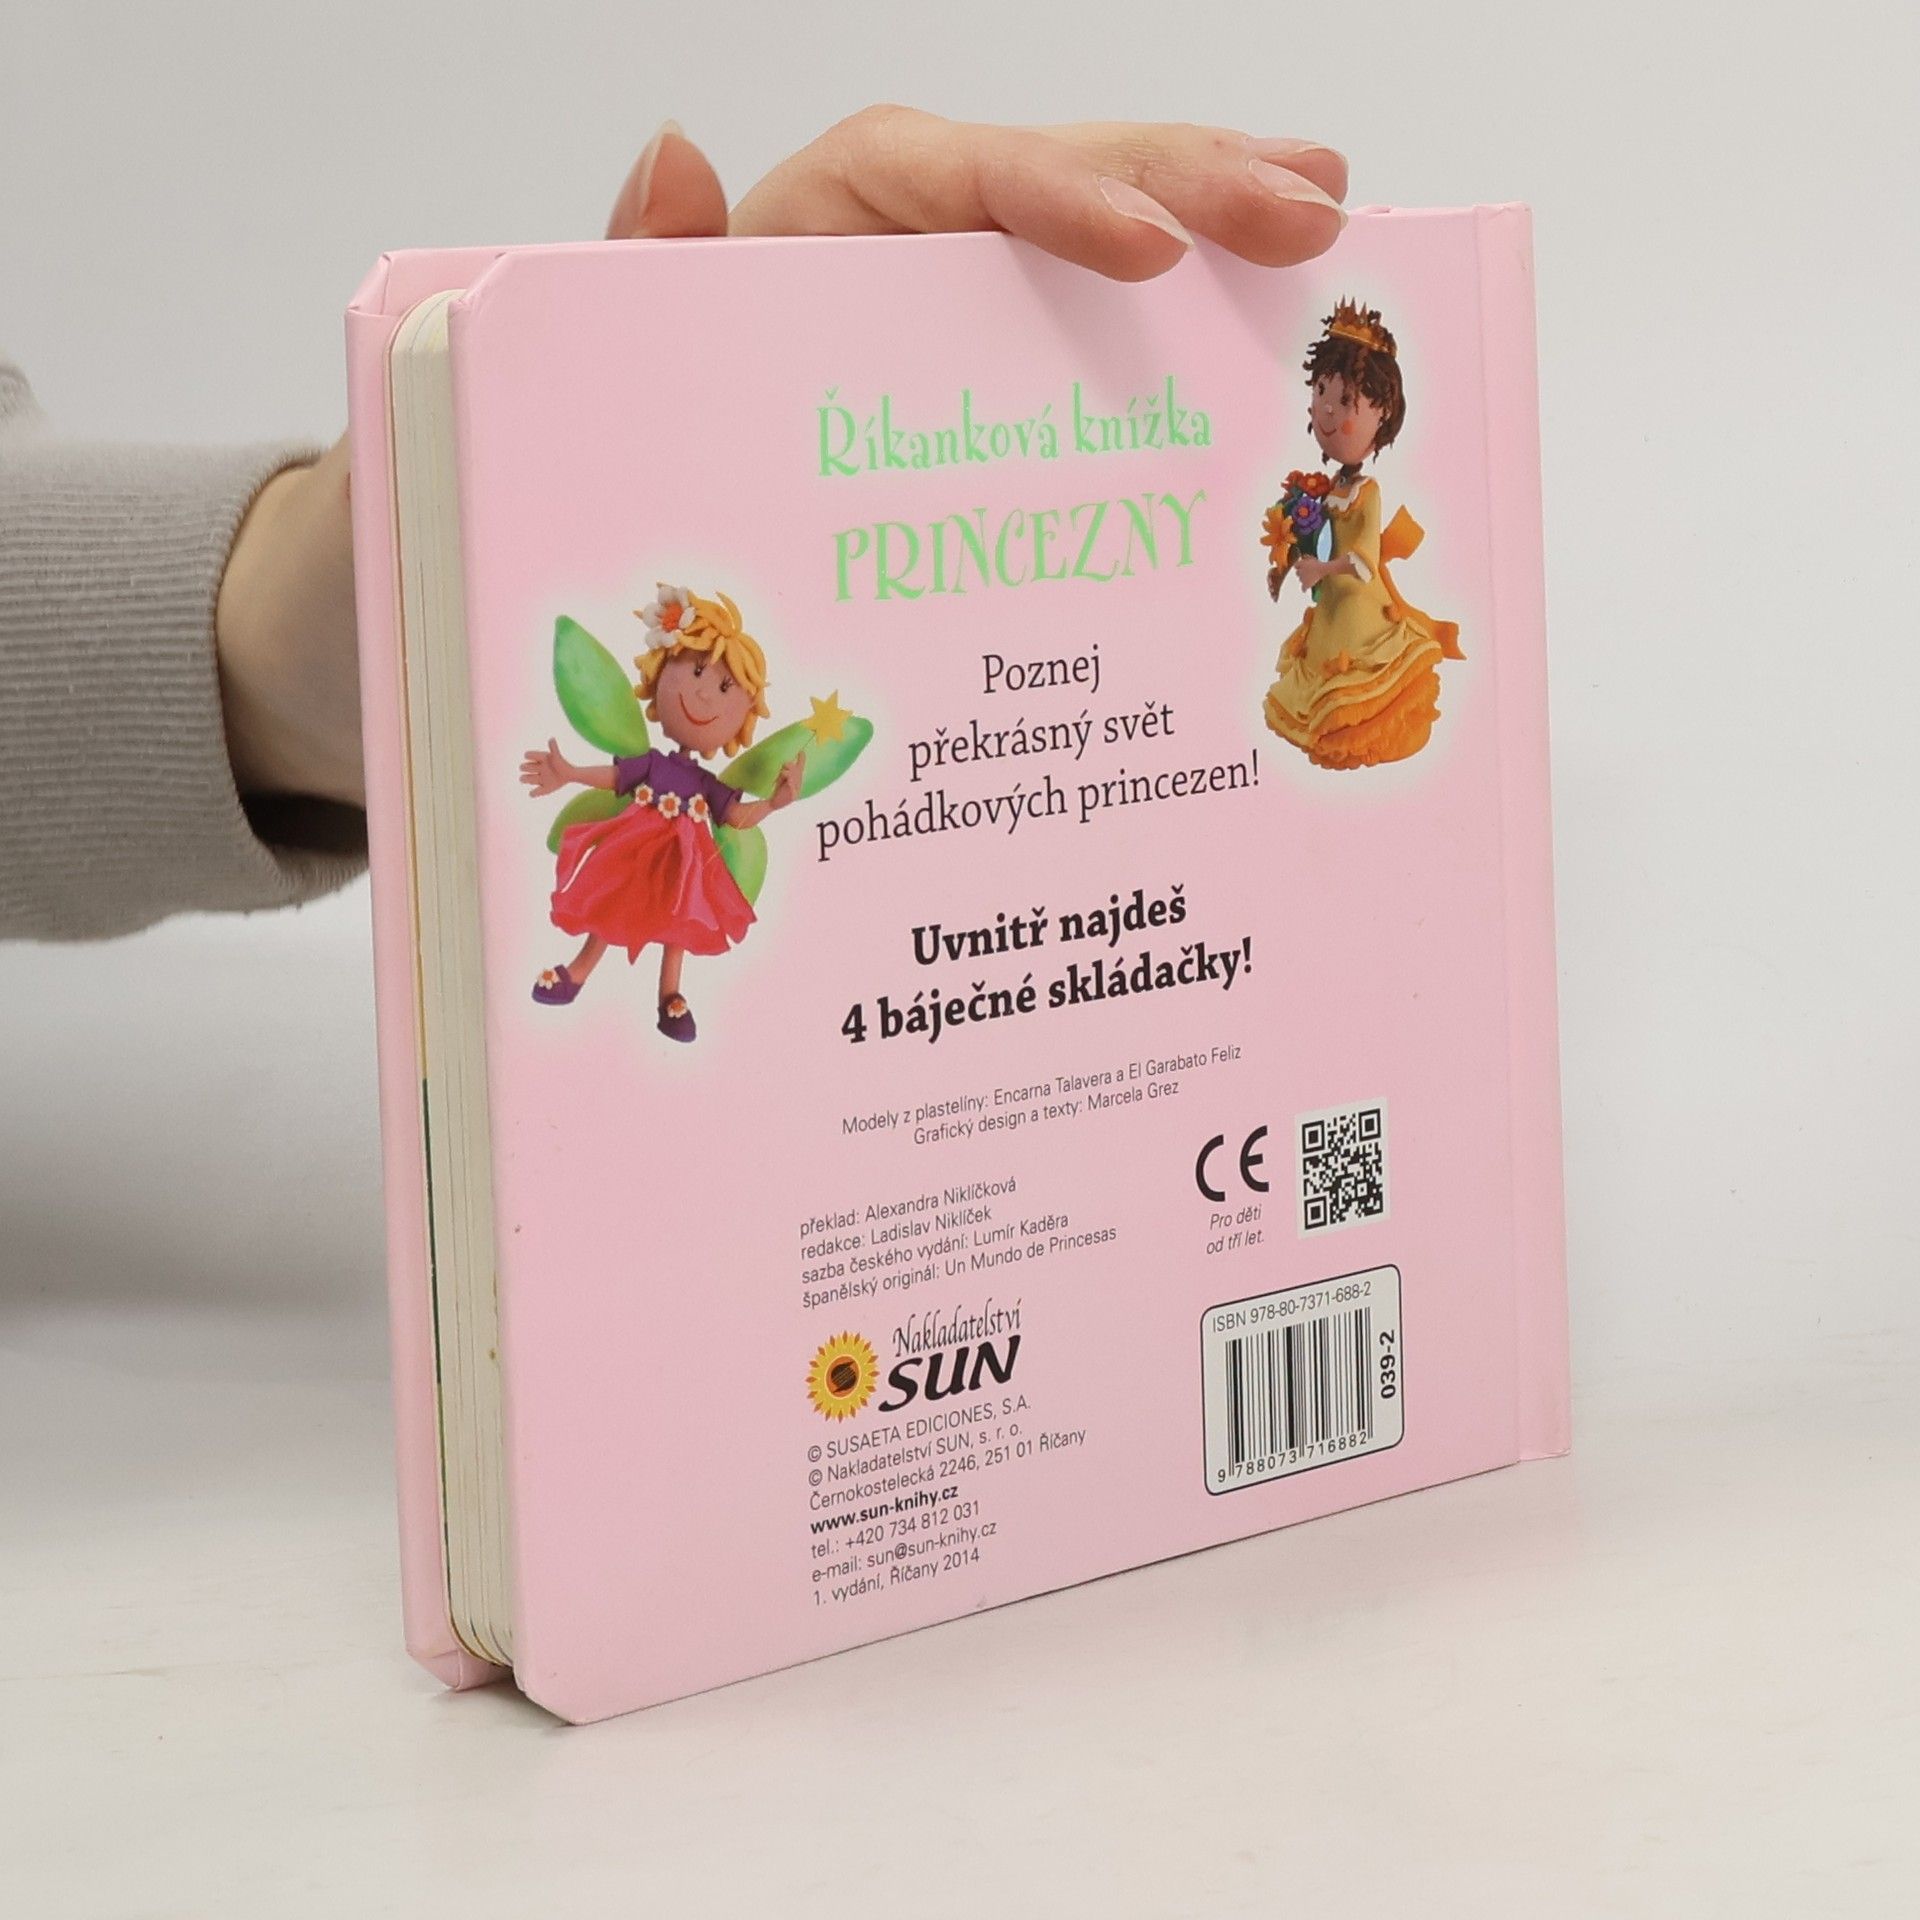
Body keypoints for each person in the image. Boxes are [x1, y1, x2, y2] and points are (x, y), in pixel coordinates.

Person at [0, 110, 1347, 939]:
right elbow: (680, 779)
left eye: (719, 686)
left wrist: (260, 644)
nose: (704, 703)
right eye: (698, 684)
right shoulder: (668, 761)